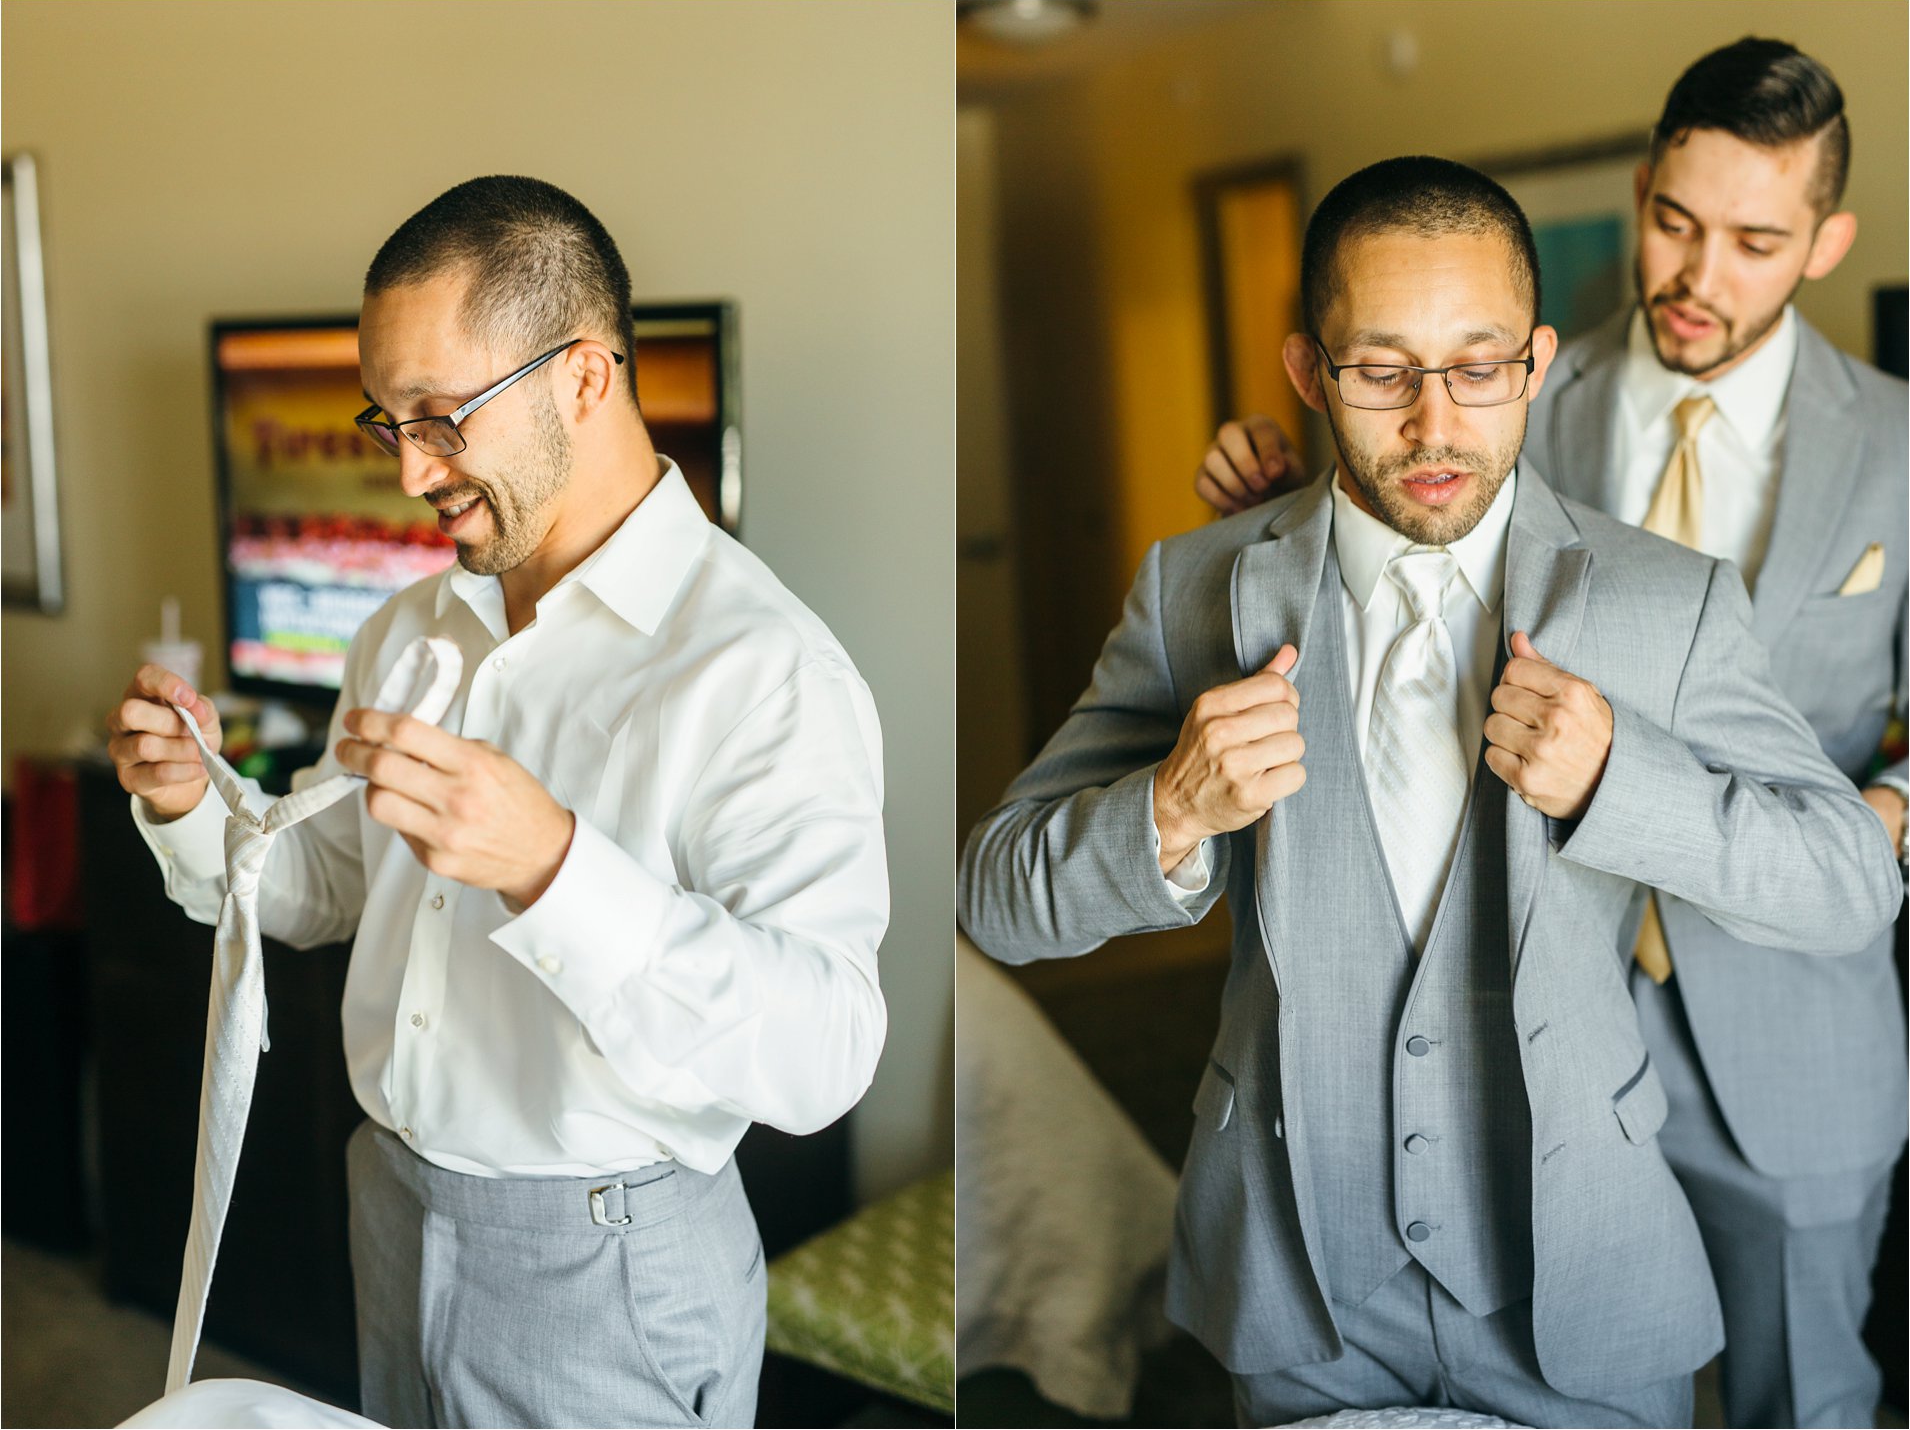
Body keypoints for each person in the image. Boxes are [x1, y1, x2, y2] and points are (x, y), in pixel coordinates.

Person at [960, 154, 1903, 1427]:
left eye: (1477, 367)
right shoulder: (1195, 589)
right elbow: (997, 897)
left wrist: (1627, 777)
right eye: (1380, 369)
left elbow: (1847, 883)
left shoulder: (1660, 604)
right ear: (1309, 370)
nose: (1433, 424)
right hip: (1298, 1290)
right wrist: (1169, 810)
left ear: (1536, 363)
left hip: (1582, 1287)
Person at [106, 176, 889, 1429]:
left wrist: (554, 868)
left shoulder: (765, 671)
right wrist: (202, 805)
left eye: (442, 416)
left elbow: (828, 1048)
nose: (410, 469)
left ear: (583, 376)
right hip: (391, 1211)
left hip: (607, 1267)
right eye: (388, 420)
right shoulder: (410, 629)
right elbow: (330, 891)